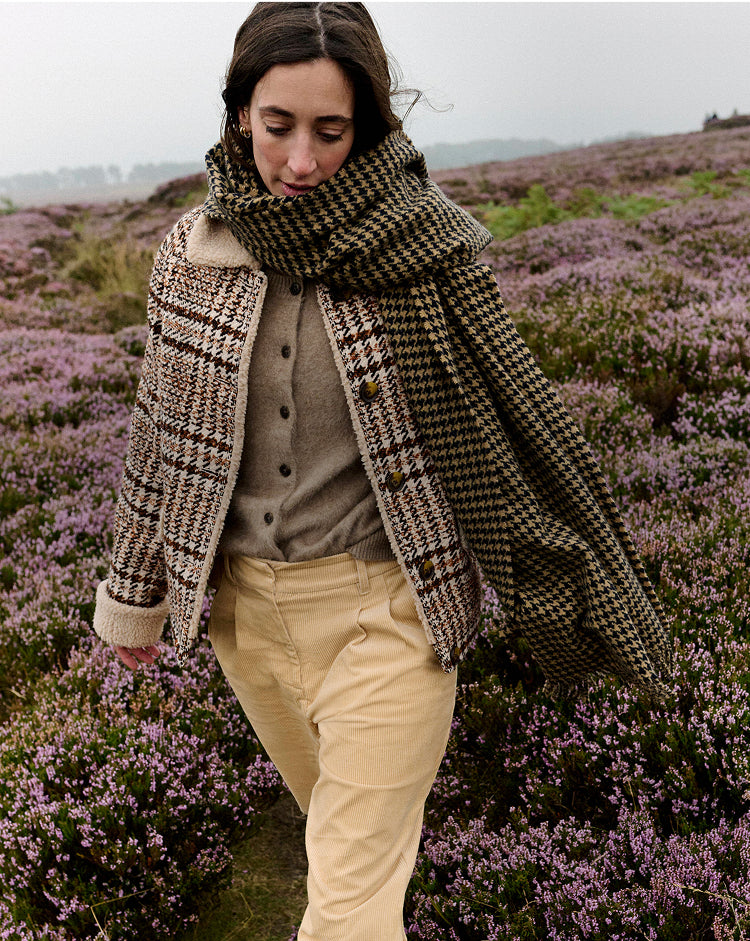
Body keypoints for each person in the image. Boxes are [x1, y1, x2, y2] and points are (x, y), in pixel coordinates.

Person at [92, 3, 672, 939]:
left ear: (366, 127)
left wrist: (566, 571)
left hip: (389, 616)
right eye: (279, 126)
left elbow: (506, 418)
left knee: (346, 911)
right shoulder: (189, 255)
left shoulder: (424, 247)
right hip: (246, 621)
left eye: (331, 131)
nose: (302, 161)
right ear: (240, 111)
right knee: (348, 858)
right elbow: (160, 438)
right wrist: (133, 598)